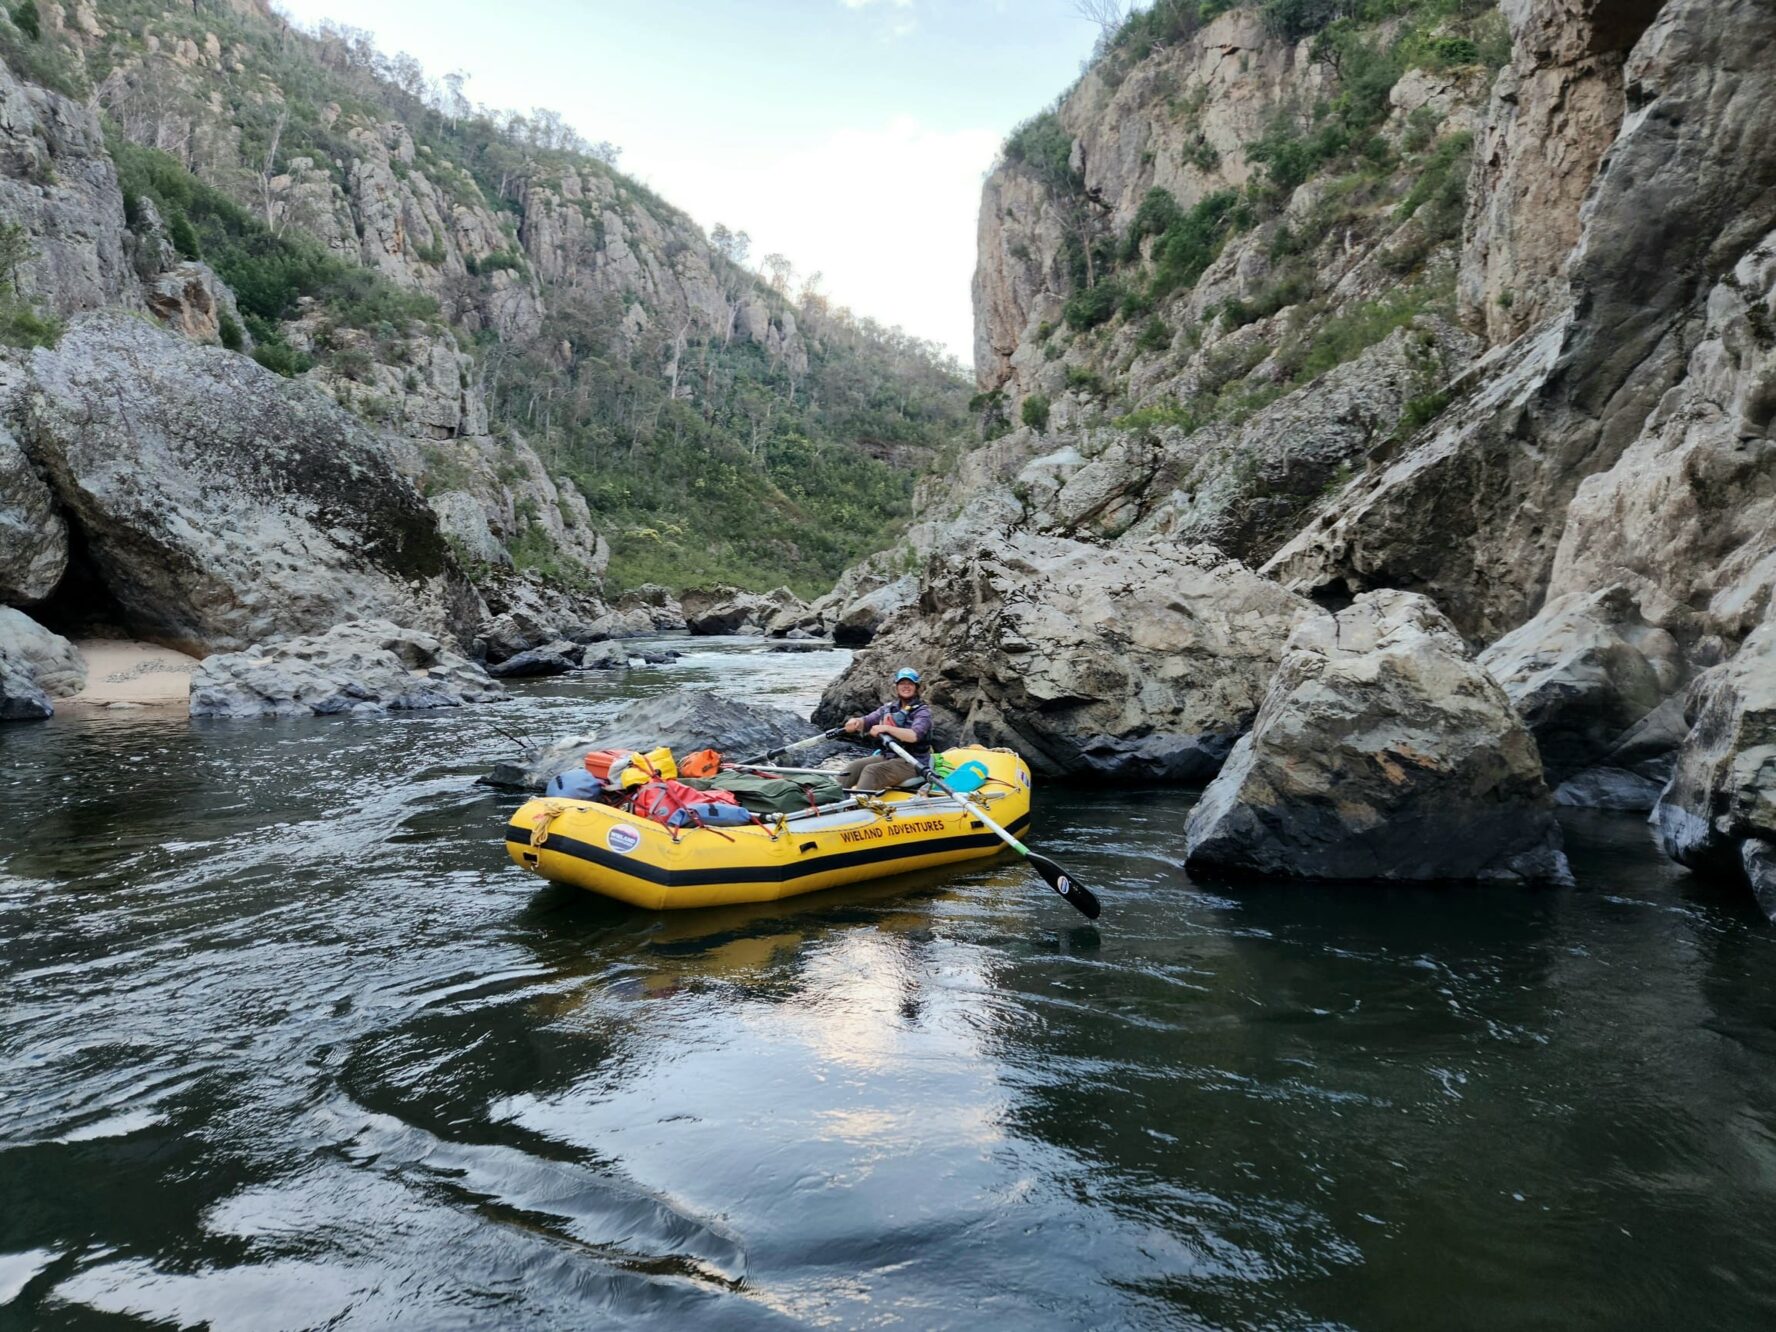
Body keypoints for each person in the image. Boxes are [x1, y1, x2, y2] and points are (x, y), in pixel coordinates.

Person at [840, 667, 933, 791]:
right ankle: (831, 801)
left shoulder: (923, 712)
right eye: (902, 683)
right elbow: (866, 721)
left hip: (913, 762)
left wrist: (886, 728)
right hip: (890, 756)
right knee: (854, 767)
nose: (906, 687)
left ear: (916, 687)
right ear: (896, 686)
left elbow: (913, 736)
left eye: (910, 684)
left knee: (872, 771)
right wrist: (855, 722)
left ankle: (859, 805)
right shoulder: (889, 708)